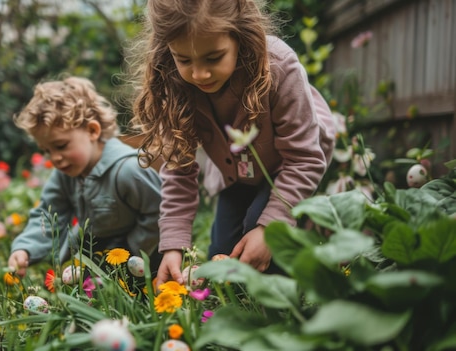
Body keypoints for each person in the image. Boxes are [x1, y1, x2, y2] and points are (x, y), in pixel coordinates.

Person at [124, 0, 336, 285]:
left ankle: (285, 286)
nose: (199, 74)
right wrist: (173, 245)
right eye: (184, 60)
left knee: (261, 235)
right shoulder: (173, 81)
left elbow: (304, 159)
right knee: (222, 257)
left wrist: (269, 227)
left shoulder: (279, 66)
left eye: (213, 58)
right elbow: (179, 170)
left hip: (292, 162)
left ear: (241, 35)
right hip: (238, 172)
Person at [8, 76, 162, 279]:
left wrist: (130, 254)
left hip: (141, 260)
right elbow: (48, 214)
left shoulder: (128, 170)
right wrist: (25, 248)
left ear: (92, 131)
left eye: (61, 146)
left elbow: (159, 214)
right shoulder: (65, 175)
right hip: (94, 255)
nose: (54, 158)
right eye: (46, 150)